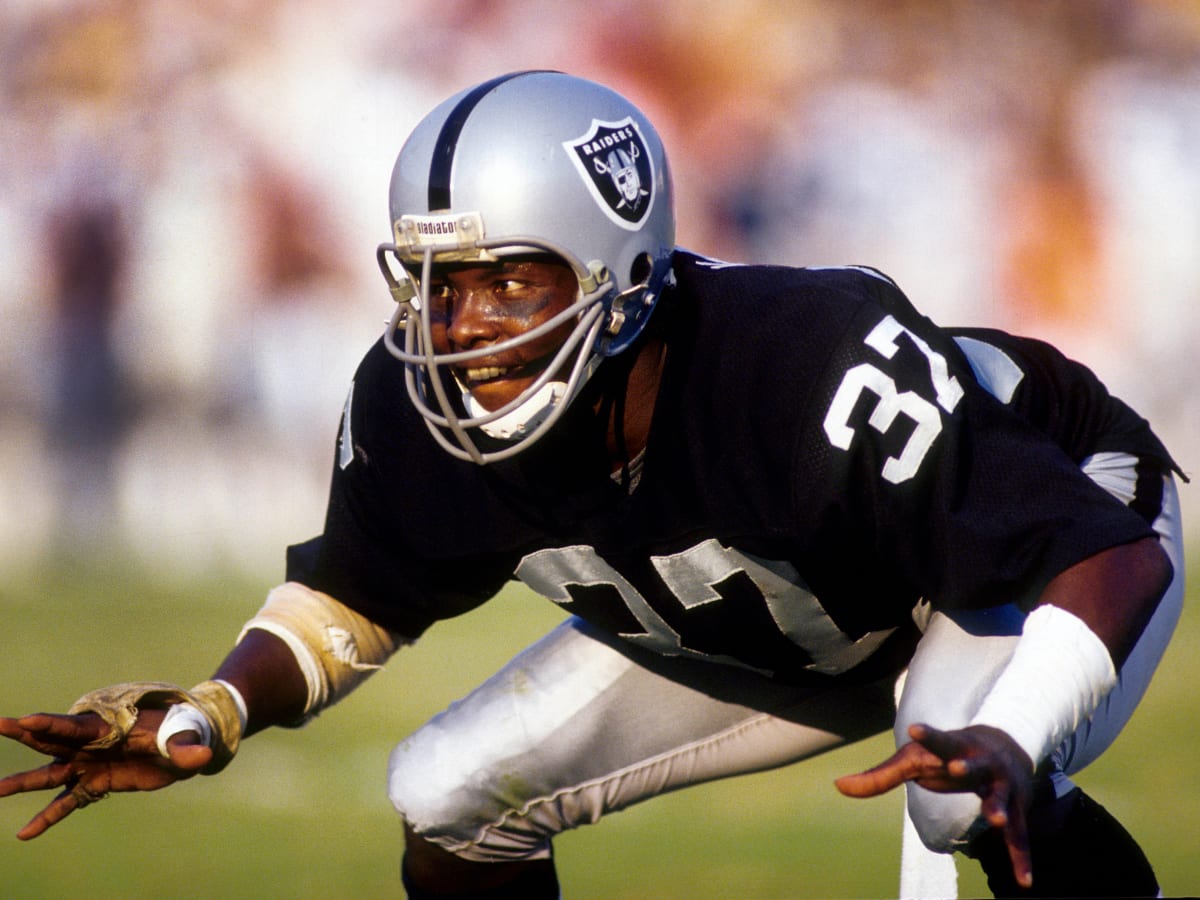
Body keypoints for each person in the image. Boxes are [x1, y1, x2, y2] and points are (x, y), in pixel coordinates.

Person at [0, 71, 1185, 898]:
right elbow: (359, 590)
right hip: (814, 621)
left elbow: (1106, 555)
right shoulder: (417, 402)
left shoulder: (798, 363)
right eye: (437, 285)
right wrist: (215, 710)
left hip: (1063, 520)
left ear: (614, 271)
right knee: (450, 792)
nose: (462, 329)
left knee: (957, 791)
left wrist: (1018, 736)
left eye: (507, 282)